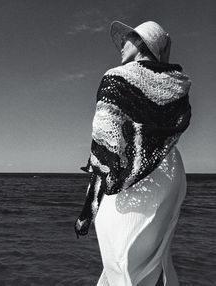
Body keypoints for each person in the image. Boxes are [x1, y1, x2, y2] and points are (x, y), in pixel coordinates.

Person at [74, 21, 192, 286]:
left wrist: (100, 185)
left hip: (126, 177)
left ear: (141, 42)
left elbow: (105, 140)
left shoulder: (116, 78)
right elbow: (161, 132)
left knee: (122, 257)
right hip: (166, 172)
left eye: (128, 39)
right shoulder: (177, 83)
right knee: (153, 256)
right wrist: (163, 62)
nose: (122, 46)